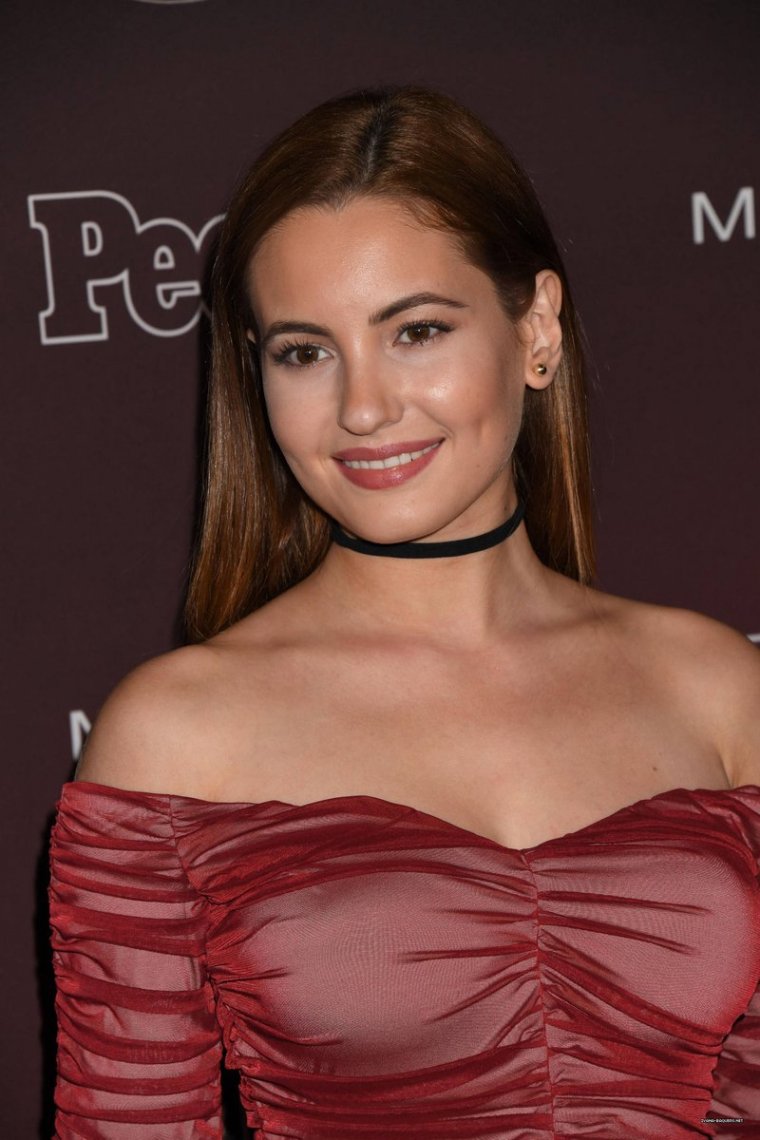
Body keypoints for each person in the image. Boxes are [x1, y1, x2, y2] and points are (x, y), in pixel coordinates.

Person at [49, 85, 760, 1139]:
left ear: (536, 329)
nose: (363, 407)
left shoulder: (721, 690)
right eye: (304, 351)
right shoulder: (176, 735)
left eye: (416, 331)